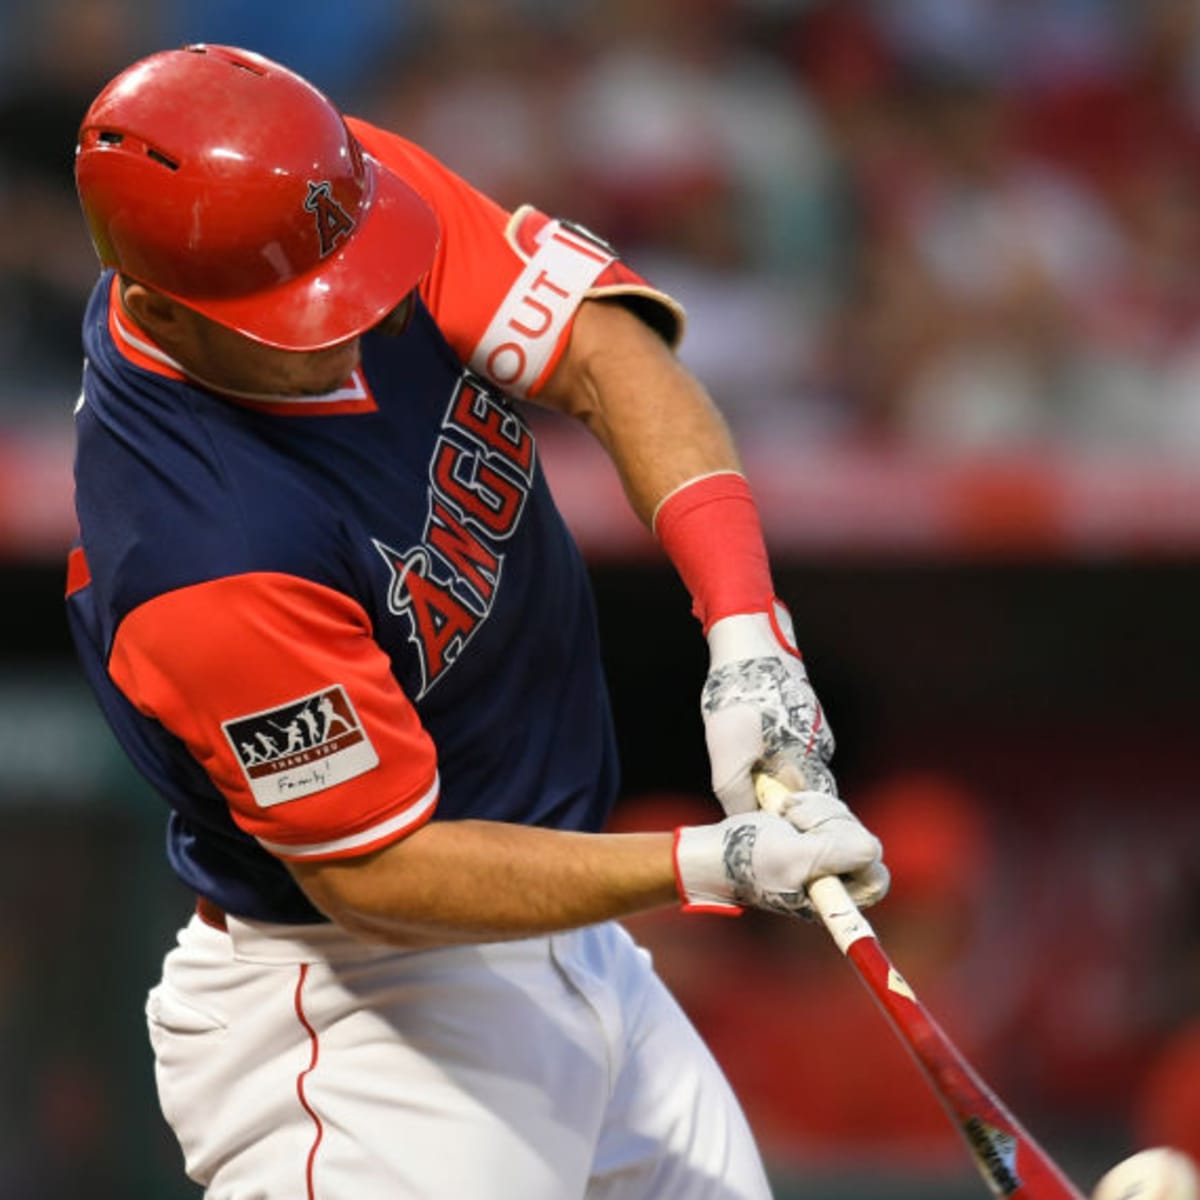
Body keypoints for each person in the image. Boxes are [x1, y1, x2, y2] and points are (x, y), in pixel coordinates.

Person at [65, 44, 889, 1199]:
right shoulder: (201, 551)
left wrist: (748, 633)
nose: (351, 321)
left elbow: (603, 351)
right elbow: (380, 870)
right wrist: (714, 861)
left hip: (579, 950)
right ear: (157, 304)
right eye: (293, 315)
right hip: (368, 1022)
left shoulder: (327, 196)